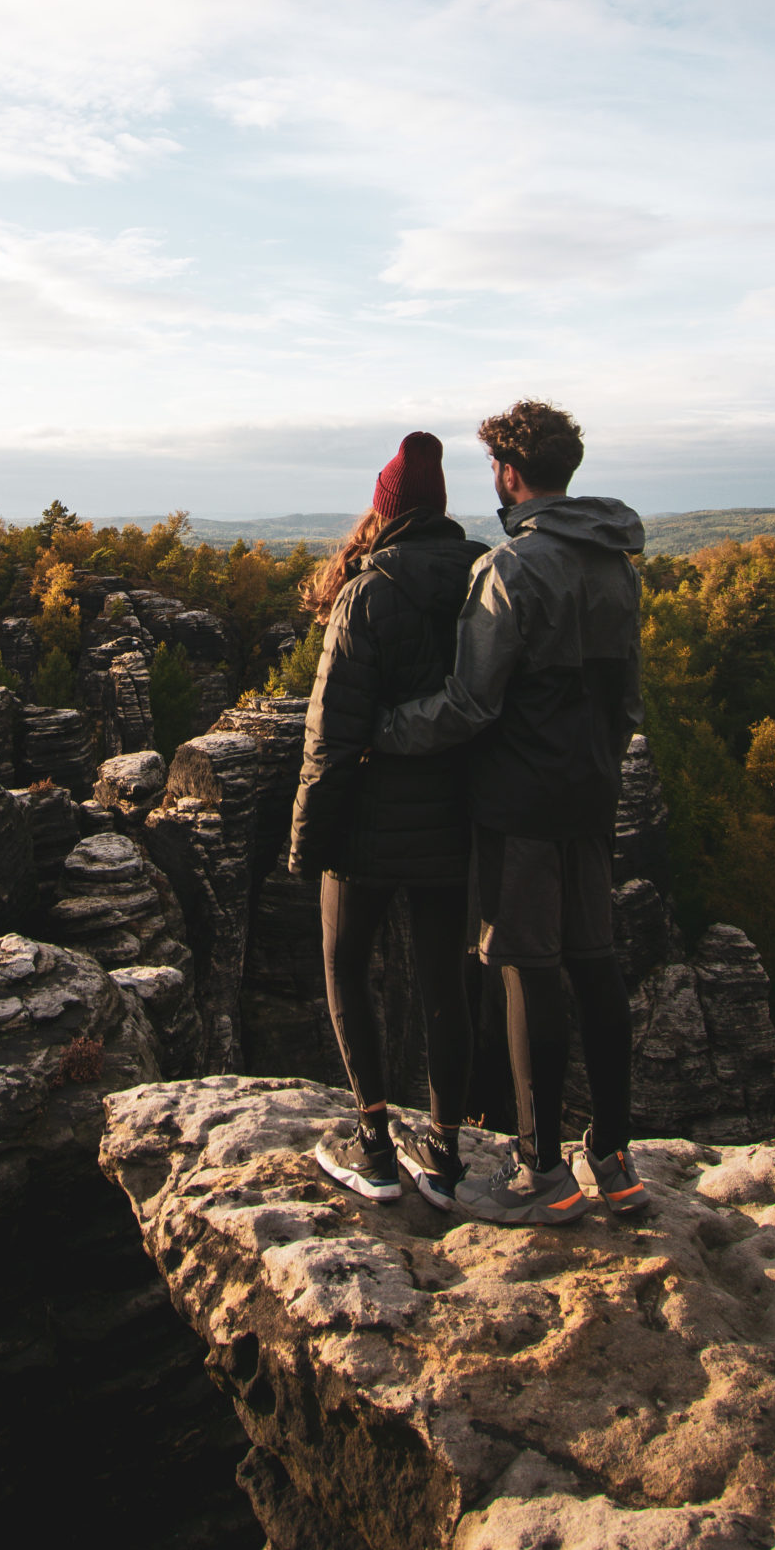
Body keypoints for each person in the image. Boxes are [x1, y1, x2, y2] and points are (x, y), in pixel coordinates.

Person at [377, 399, 651, 1226]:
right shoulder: (615, 564)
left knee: (525, 967)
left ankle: (540, 1173)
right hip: (591, 793)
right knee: (594, 960)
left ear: (506, 471)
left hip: (520, 802)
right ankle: (611, 1157)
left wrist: (385, 730)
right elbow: (627, 700)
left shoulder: (510, 569)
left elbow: (468, 703)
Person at [289, 432, 487, 1209]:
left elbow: (329, 731)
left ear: (381, 511)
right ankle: (441, 1155)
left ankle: (373, 1147)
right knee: (446, 983)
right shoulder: (484, 577)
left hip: (369, 823)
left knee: (346, 970)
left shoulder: (366, 592)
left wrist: (308, 836)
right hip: (456, 819)